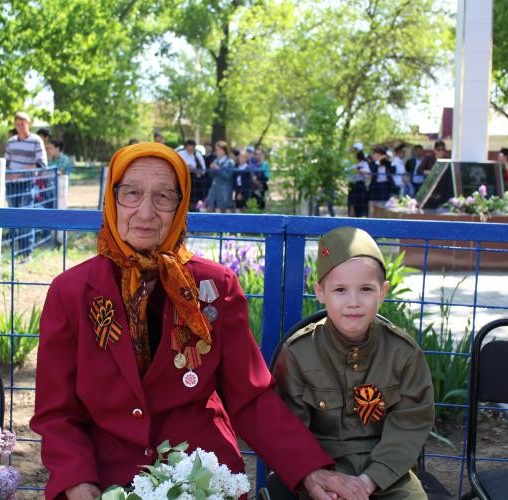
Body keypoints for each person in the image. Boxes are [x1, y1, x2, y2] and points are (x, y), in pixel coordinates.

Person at [30, 142, 371, 500]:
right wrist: (77, 480)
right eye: (131, 193)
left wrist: (308, 469)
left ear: (181, 205)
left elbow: (250, 396)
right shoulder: (71, 292)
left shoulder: (215, 287)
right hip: (106, 476)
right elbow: (57, 412)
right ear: (112, 200)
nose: (145, 212)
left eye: (164, 196)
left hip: (200, 473)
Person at [274, 226, 434, 499]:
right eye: (340, 290)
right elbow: (288, 430)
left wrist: (371, 480)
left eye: (366, 289)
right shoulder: (298, 354)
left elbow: (410, 424)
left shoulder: (403, 354)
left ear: (383, 292)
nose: (353, 302)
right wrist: (315, 475)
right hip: (321, 468)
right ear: (320, 292)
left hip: (387, 472)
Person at [5, 111, 47, 258]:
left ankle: (27, 252)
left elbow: (42, 164)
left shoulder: (36, 141)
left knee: (26, 217)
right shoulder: (11, 142)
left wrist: (20, 173)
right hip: (11, 185)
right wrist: (8, 175)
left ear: (28, 124)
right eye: (17, 124)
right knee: (14, 217)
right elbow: (6, 162)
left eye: (22, 124)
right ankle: (18, 250)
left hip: (27, 184)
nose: (20, 127)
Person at [47, 139, 74, 243]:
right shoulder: (50, 160)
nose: (48, 150)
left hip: (60, 192)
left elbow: (59, 172)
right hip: (50, 192)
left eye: (51, 148)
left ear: (57, 148)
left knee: (61, 213)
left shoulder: (64, 159)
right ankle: (52, 237)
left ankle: (61, 239)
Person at [205, 140, 236, 213]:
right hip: (214, 187)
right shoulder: (215, 161)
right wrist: (211, 169)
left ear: (224, 150)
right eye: (216, 150)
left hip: (224, 189)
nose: (217, 152)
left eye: (219, 150)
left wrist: (217, 168)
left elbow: (228, 176)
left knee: (223, 210)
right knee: (209, 206)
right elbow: (211, 176)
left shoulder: (230, 162)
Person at [178, 139, 208, 211]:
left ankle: (193, 210)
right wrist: (185, 167)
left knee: (193, 200)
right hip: (182, 178)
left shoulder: (198, 156)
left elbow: (203, 169)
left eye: (192, 149)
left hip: (194, 180)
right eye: (188, 149)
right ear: (185, 147)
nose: (190, 151)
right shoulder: (180, 154)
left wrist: (194, 169)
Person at [347, 143, 371, 217]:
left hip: (360, 186)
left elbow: (368, 173)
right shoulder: (349, 163)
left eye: (354, 152)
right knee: (351, 207)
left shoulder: (363, 163)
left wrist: (359, 169)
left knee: (359, 209)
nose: (353, 153)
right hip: (351, 186)